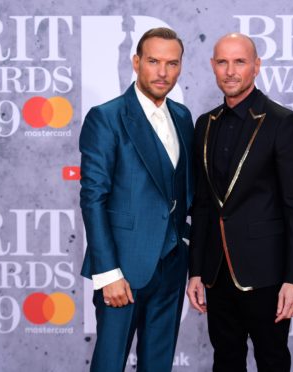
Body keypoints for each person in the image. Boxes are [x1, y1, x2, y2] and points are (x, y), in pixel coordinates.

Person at [187, 33, 293, 372]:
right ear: (213, 67)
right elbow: (202, 204)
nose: (230, 71)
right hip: (216, 273)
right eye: (223, 62)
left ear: (256, 67)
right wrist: (196, 270)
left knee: (272, 360)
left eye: (239, 61)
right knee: (225, 361)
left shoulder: (282, 123)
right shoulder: (205, 125)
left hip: (267, 274)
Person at [80, 27, 194, 372]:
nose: (163, 72)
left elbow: (185, 192)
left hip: (172, 266)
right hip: (122, 270)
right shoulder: (107, 117)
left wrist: (187, 244)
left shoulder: (183, 117)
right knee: (110, 364)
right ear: (136, 63)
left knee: (158, 365)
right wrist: (107, 273)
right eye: (154, 61)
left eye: (172, 63)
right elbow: (93, 198)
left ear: (180, 68)